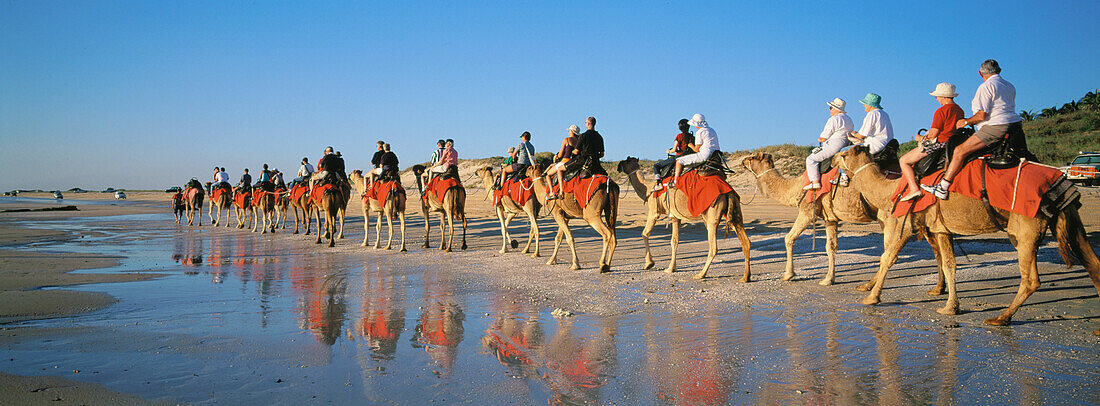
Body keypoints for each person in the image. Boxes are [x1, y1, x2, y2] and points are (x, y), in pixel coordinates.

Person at [923, 59, 1026, 200]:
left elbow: (982, 115)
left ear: (980, 73)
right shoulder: (1009, 85)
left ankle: (943, 187)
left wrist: (966, 121)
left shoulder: (986, 87)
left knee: (959, 151)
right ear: (999, 71)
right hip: (1015, 126)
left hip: (995, 127)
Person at [894, 83, 967, 201]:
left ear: (943, 96)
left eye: (937, 96)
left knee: (904, 161)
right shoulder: (960, 110)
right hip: (952, 144)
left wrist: (919, 138)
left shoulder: (941, 111)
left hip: (940, 143)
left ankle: (914, 189)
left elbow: (933, 134)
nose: (937, 99)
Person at [804, 98, 854, 190]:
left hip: (834, 144)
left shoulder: (834, 119)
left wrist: (820, 138)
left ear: (836, 109)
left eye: (831, 107)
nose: (829, 109)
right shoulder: (849, 119)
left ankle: (815, 182)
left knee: (811, 159)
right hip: (846, 144)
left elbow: (824, 137)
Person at [670, 113, 720, 188]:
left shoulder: (700, 132)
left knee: (679, 161)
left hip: (704, 155)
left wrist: (690, 145)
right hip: (715, 155)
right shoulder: (711, 130)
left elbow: (696, 150)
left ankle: (675, 182)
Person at [653, 119, 693, 188]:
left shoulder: (679, 136)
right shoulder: (692, 136)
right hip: (689, 157)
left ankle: (658, 183)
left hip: (679, 157)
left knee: (656, 165)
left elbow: (674, 149)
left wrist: (669, 151)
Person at [544, 125, 581, 199]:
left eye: (569, 131)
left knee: (548, 175)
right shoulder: (579, 141)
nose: (568, 132)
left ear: (571, 131)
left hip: (565, 161)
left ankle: (553, 192)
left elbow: (560, 154)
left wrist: (556, 156)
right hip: (574, 162)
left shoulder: (566, 140)